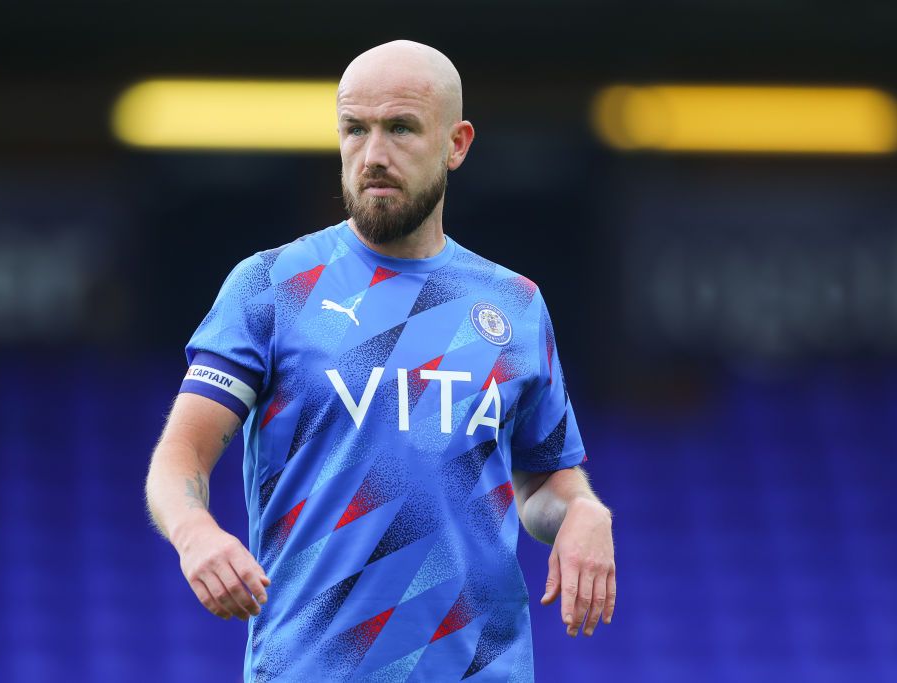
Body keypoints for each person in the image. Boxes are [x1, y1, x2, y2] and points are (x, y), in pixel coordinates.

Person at [145, 39, 615, 682]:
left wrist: (583, 511)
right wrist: (195, 533)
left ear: (457, 144)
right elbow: (179, 463)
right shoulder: (271, 287)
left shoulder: (516, 306)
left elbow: (543, 484)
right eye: (354, 129)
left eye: (399, 128)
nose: (373, 155)